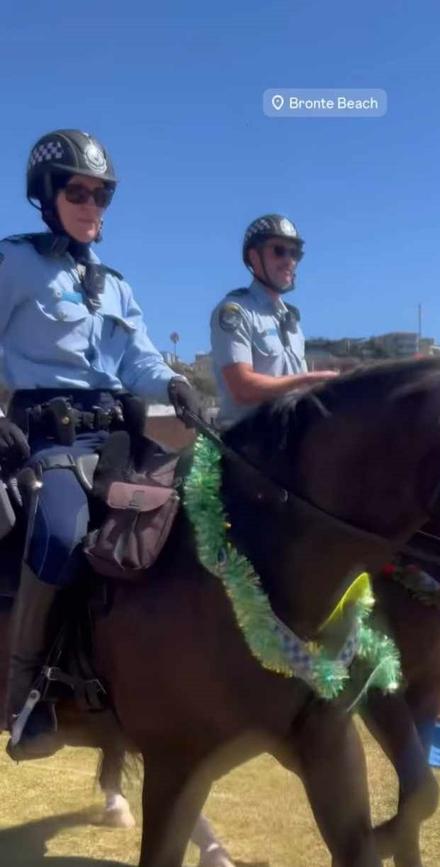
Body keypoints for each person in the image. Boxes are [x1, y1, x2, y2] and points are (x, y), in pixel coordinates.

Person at [0, 129, 200, 759]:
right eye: (78, 192)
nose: (92, 205)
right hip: (46, 439)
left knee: (194, 516)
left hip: (116, 436)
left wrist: (175, 381)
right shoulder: (14, 261)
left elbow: (138, 359)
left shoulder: (115, 284)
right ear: (47, 195)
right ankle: (24, 693)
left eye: (102, 195)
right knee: (61, 534)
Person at [210, 213, 338, 428]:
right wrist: (308, 381)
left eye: (295, 253)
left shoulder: (292, 319)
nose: (289, 260)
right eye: (279, 251)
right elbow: (242, 388)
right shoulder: (234, 311)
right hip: (247, 437)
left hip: (292, 433)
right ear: (253, 257)